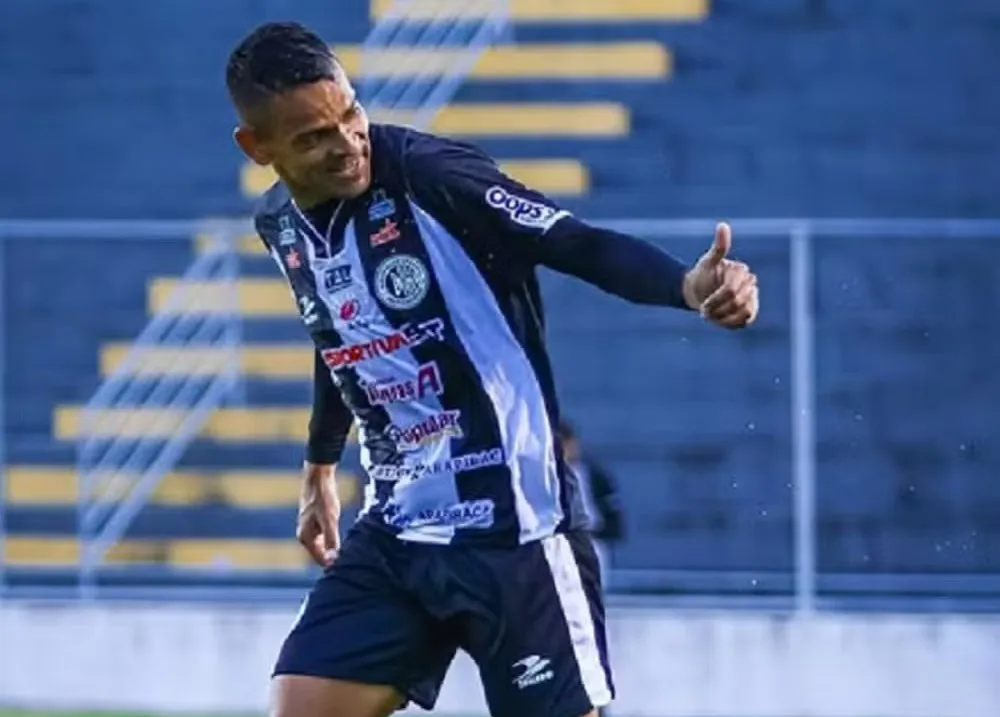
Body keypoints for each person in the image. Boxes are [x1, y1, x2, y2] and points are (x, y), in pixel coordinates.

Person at [226, 21, 759, 717]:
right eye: (314, 137)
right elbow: (341, 336)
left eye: (350, 113)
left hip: (516, 527)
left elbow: (574, 243)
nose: (348, 142)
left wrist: (686, 286)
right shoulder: (282, 227)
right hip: (398, 526)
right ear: (258, 147)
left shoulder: (431, 176)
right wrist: (319, 467)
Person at [557, 420, 623, 587]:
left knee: (591, 588)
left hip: (590, 539)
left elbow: (610, 505)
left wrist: (610, 531)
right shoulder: (546, 476)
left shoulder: (591, 473)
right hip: (557, 542)